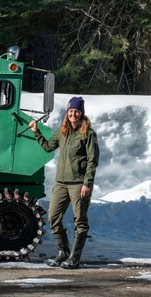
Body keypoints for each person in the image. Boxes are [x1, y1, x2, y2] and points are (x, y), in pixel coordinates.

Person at [29, 96, 100, 269]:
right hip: (61, 183)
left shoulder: (88, 134)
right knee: (53, 216)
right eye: (71, 111)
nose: (73, 114)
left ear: (81, 113)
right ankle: (63, 252)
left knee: (80, 220)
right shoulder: (62, 131)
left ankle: (74, 258)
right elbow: (47, 147)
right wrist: (35, 131)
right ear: (67, 112)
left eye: (76, 111)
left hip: (78, 184)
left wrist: (87, 183)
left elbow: (93, 160)